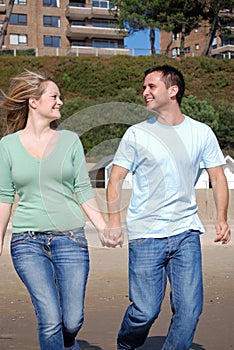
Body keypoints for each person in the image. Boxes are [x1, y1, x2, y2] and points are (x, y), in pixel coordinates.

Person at [105, 64, 231, 350]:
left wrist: (221, 218)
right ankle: (126, 345)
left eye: (151, 86)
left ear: (172, 91)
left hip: (186, 231)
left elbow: (217, 176)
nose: (144, 92)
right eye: (144, 87)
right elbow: (115, 179)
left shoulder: (201, 132)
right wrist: (113, 221)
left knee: (189, 310)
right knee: (145, 311)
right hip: (146, 233)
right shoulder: (137, 134)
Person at [0, 70, 107, 350]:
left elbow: (82, 188)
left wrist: (104, 228)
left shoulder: (70, 140)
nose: (60, 102)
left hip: (70, 238)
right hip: (27, 242)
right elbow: (4, 196)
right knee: (49, 318)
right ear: (33, 102)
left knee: (72, 320)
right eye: (54, 96)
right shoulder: (7, 146)